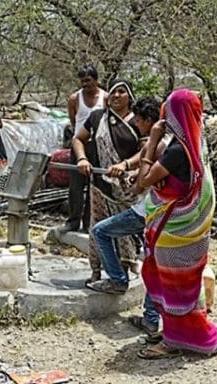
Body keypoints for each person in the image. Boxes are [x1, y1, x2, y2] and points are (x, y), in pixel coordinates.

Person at [135, 89, 217, 359]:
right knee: (188, 286)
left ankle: (174, 340)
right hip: (192, 232)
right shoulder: (196, 143)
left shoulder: (175, 151)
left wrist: (152, 142)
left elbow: (142, 181)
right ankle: (188, 330)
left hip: (173, 231)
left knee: (173, 285)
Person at [85, 97, 164, 337]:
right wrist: (131, 172)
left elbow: (144, 181)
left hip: (150, 211)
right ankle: (150, 319)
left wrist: (134, 177)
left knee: (101, 231)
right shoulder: (168, 141)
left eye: (139, 120)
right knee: (153, 263)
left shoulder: (158, 143)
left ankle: (118, 280)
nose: (136, 124)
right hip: (160, 211)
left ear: (148, 121)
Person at [72, 79, 141, 285]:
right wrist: (82, 158)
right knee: (96, 228)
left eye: (121, 92)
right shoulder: (97, 117)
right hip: (100, 184)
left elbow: (147, 151)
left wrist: (125, 165)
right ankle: (96, 270)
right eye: (113, 92)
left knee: (122, 231)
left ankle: (123, 271)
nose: (116, 96)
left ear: (130, 96)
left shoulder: (137, 121)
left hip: (126, 187)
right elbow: (78, 139)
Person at [61, 65, 107, 232]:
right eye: (82, 81)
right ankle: (73, 221)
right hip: (79, 144)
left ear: (96, 80)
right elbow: (74, 122)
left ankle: (89, 222)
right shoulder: (74, 99)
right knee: (75, 186)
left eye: (88, 80)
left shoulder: (105, 98)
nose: (85, 84)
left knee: (94, 185)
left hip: (98, 146)